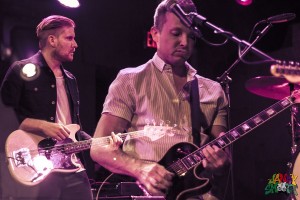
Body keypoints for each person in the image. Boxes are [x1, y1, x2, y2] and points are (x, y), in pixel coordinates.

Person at [90, 0, 231, 199]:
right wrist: (140, 168)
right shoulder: (129, 80)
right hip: (145, 194)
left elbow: (223, 156)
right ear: (155, 33)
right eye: (176, 33)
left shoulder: (213, 90)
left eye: (191, 36)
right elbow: (99, 148)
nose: (184, 42)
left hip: (197, 193)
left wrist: (221, 162)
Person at [1, 15, 93, 200]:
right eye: (69, 38)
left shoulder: (71, 80)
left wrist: (100, 143)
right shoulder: (20, 70)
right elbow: (4, 120)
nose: (75, 44)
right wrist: (42, 126)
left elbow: (74, 127)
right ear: (52, 40)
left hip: (72, 168)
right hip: (36, 167)